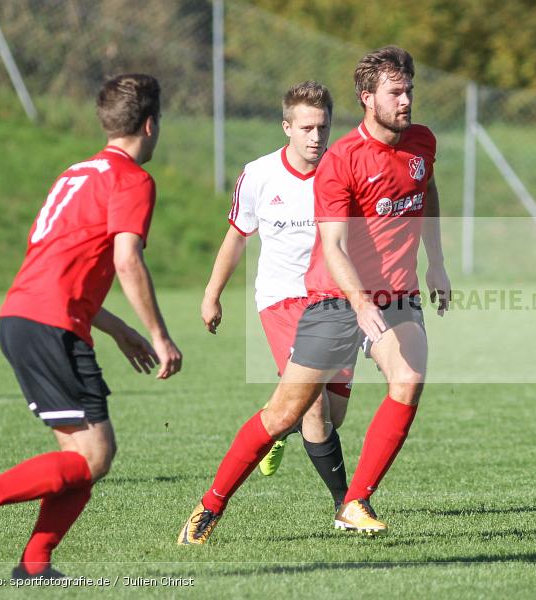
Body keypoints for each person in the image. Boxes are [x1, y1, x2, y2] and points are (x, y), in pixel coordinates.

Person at [179, 45, 450, 543]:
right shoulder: (342, 160)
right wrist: (361, 303)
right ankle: (209, 506)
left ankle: (354, 502)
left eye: (410, 88)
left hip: (397, 296)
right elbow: (334, 246)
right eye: (396, 92)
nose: (407, 99)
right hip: (335, 299)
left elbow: (426, 189)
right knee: (288, 415)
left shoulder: (422, 143)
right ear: (368, 98)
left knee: (408, 378)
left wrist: (436, 262)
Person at [0, 74, 182, 579]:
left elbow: (59, 268)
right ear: (150, 125)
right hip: (50, 325)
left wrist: (117, 329)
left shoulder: (76, 173)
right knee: (95, 454)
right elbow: (127, 261)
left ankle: (35, 565)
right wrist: (158, 334)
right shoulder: (131, 179)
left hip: (25, 316)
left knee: (83, 453)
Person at [200, 80, 354, 511]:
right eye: (306, 128)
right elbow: (237, 236)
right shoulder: (259, 174)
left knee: (330, 416)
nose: (316, 137)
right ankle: (348, 505)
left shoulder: (341, 170)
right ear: (287, 127)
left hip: (334, 302)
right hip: (281, 300)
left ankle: (273, 426)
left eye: (322, 127)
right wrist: (212, 294)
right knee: (315, 412)